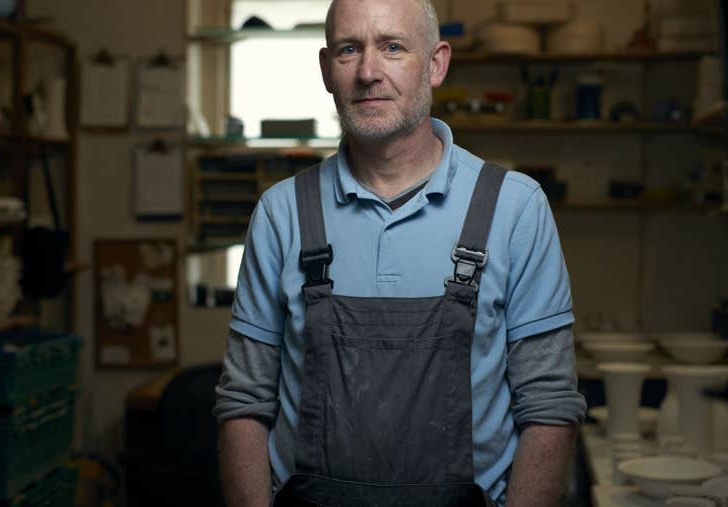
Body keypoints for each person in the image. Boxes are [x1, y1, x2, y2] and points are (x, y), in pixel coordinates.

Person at [214, 0, 587, 505]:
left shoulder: (514, 208)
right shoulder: (282, 213)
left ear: (436, 64)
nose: (369, 72)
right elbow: (244, 402)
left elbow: (548, 406)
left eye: (392, 47)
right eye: (350, 50)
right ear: (327, 70)